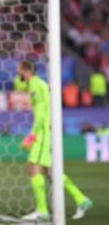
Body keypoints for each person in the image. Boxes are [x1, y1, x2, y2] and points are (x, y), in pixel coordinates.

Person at [17, 61, 93, 221]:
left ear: (26, 70)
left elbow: (41, 114)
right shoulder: (38, 84)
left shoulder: (35, 85)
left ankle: (42, 210)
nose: (18, 74)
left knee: (33, 168)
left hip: (43, 132)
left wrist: (31, 136)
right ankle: (81, 199)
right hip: (47, 131)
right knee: (51, 172)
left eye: (19, 70)